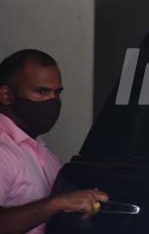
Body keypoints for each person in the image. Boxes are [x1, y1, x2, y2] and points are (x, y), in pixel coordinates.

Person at [0, 49, 109, 234]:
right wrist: (58, 203)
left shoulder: (40, 150)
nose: (52, 100)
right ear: (6, 95)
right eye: (41, 92)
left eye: (57, 93)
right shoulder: (4, 150)